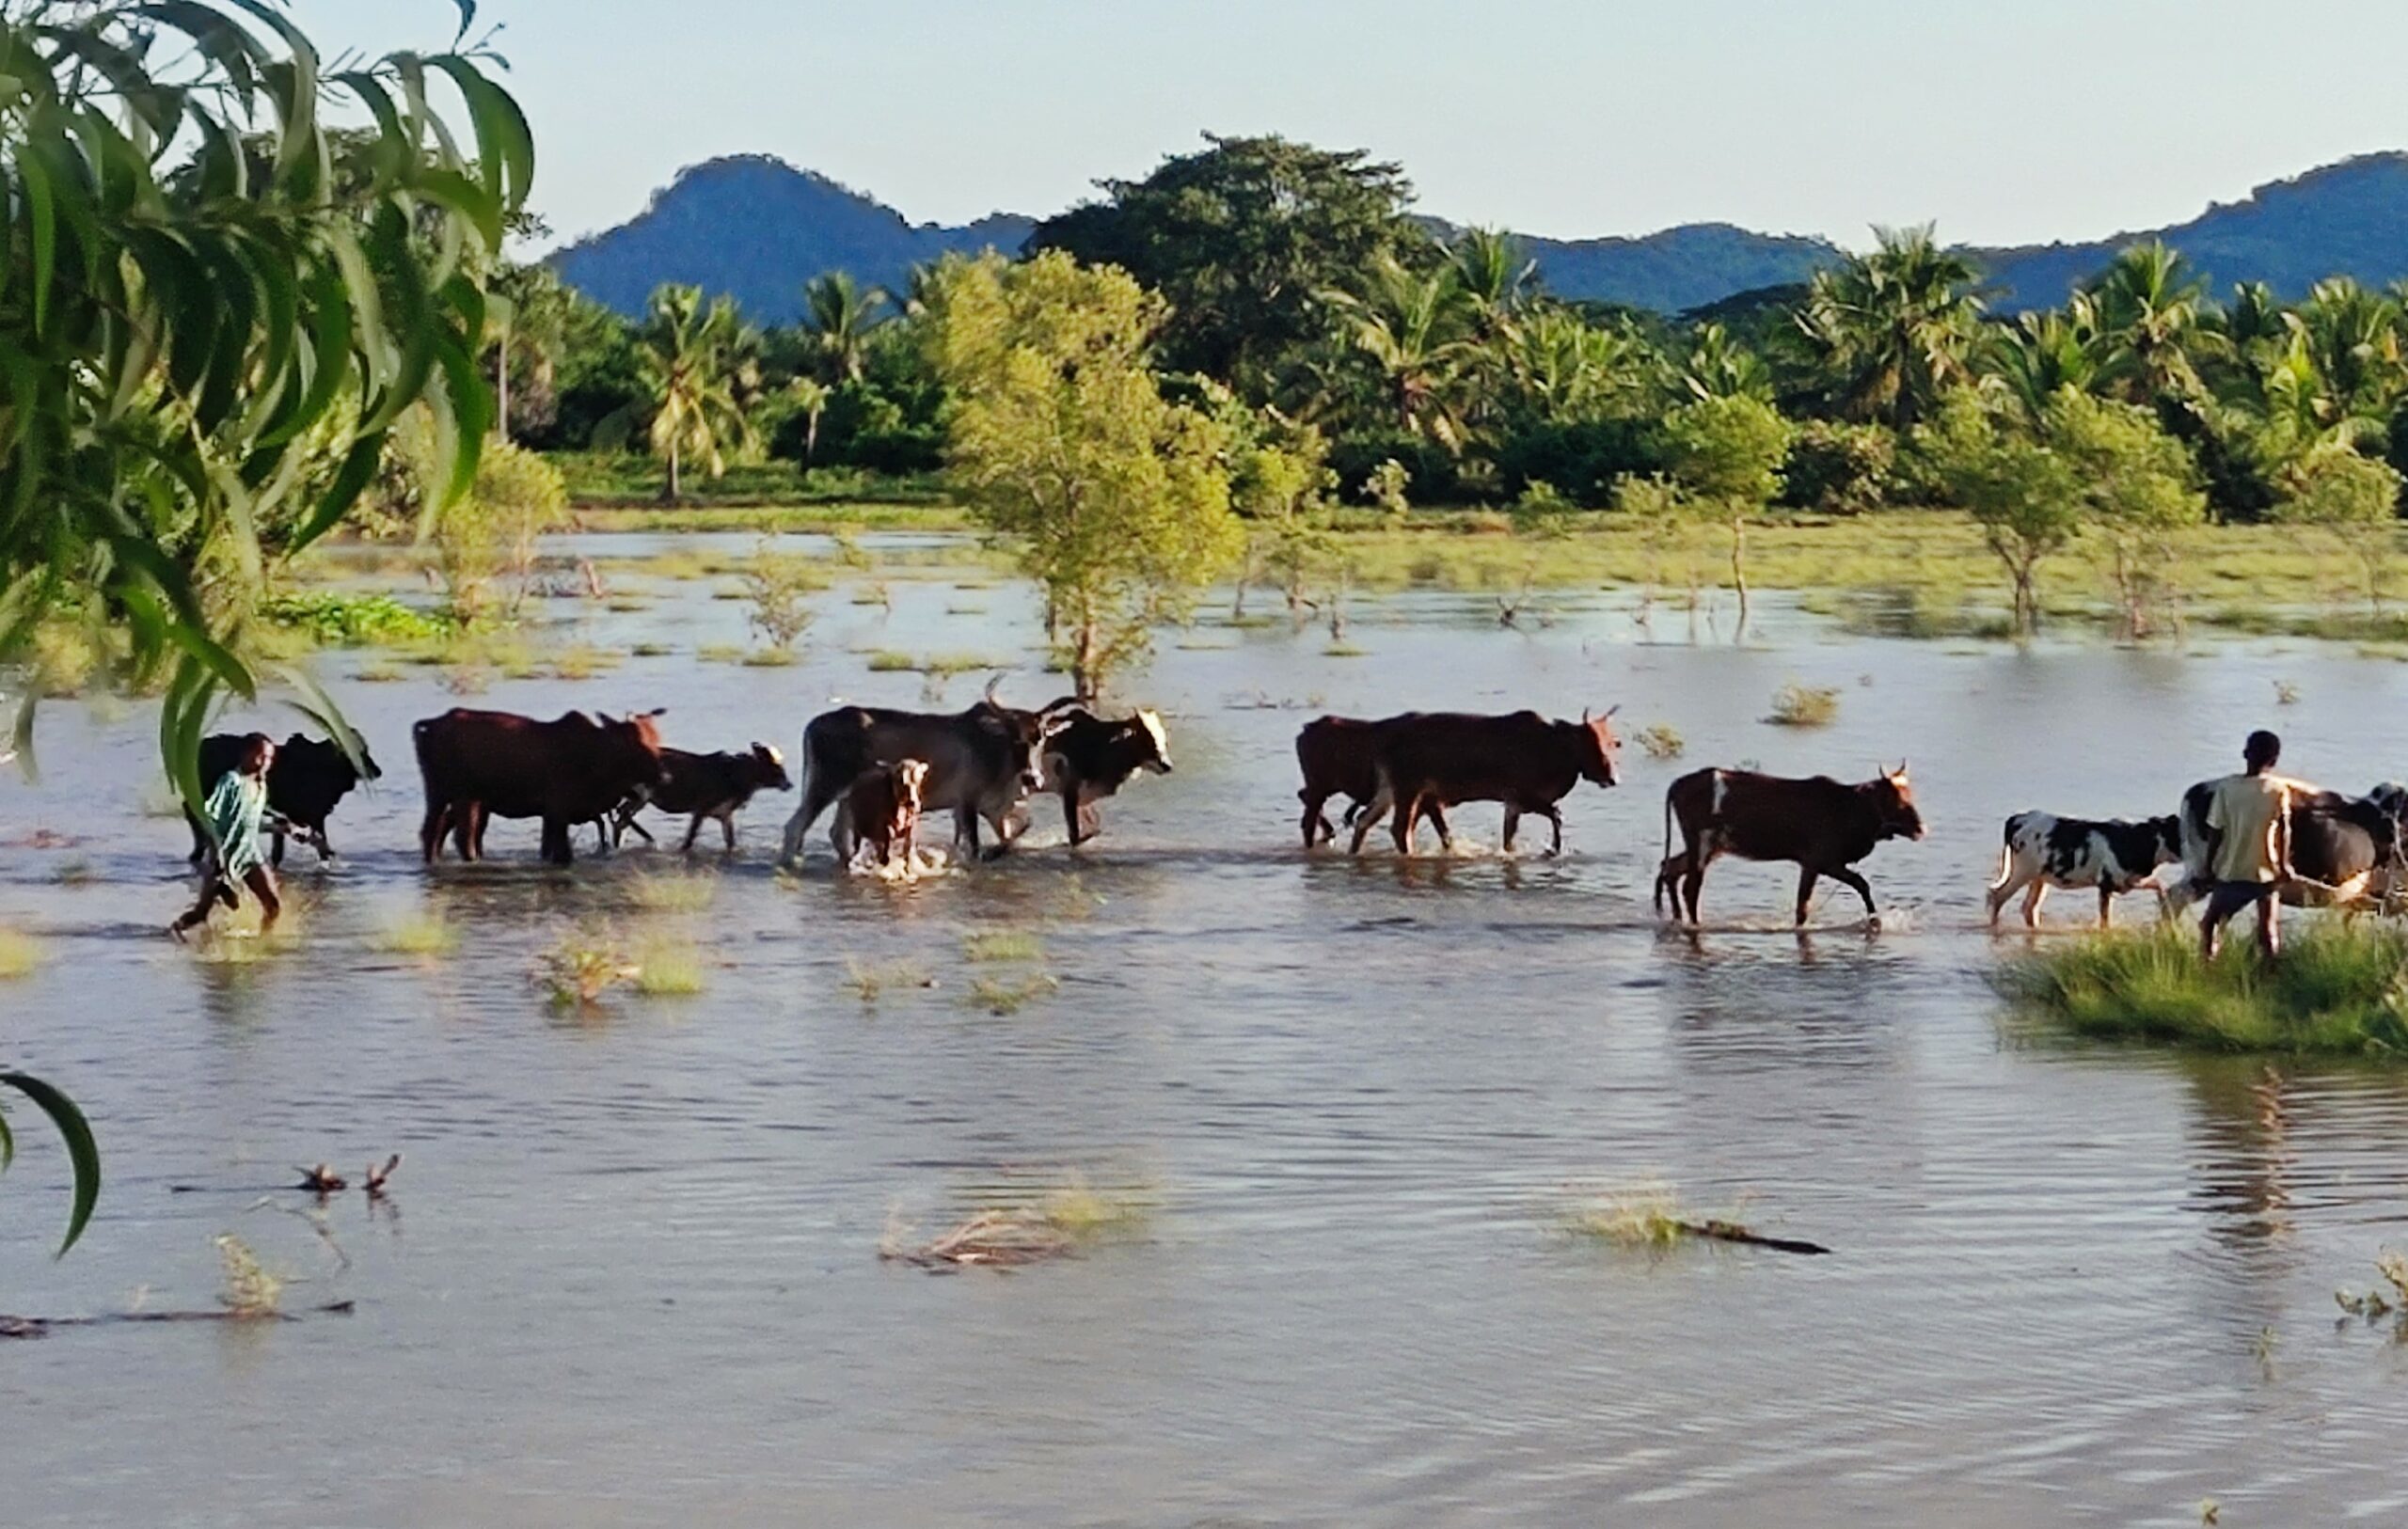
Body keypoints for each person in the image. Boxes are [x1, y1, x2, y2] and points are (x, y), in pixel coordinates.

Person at [171, 733, 282, 941]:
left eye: (269, 759)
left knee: (273, 905)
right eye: (261, 757)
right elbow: (208, 815)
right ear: (247, 754)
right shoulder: (230, 781)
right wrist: (217, 853)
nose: (265, 763)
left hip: (249, 854)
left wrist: (284, 827)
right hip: (224, 857)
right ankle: (177, 930)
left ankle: (263, 944)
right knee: (201, 913)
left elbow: (252, 821)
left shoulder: (260, 786)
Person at [2197, 730, 2294, 960]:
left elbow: (2216, 832)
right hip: (2266, 872)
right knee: (2267, 928)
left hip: (2232, 870)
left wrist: (2209, 866)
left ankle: (2208, 966)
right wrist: (2284, 865)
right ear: (2274, 760)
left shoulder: (2226, 789)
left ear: (2244, 754)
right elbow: (2283, 830)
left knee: (2210, 923)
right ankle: (2270, 973)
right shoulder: (2278, 790)